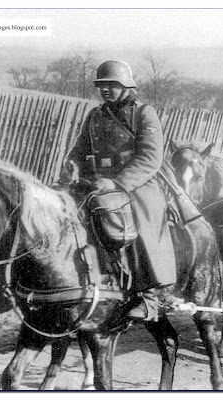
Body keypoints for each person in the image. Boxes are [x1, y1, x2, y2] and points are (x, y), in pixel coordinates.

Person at [66, 60, 177, 321]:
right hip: (97, 182)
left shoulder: (144, 114)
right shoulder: (94, 115)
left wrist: (118, 183)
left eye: (112, 85)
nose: (105, 90)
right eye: (101, 85)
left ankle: (150, 297)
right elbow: (80, 149)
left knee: (141, 222)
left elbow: (150, 158)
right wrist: (72, 165)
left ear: (126, 86)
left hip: (136, 184)